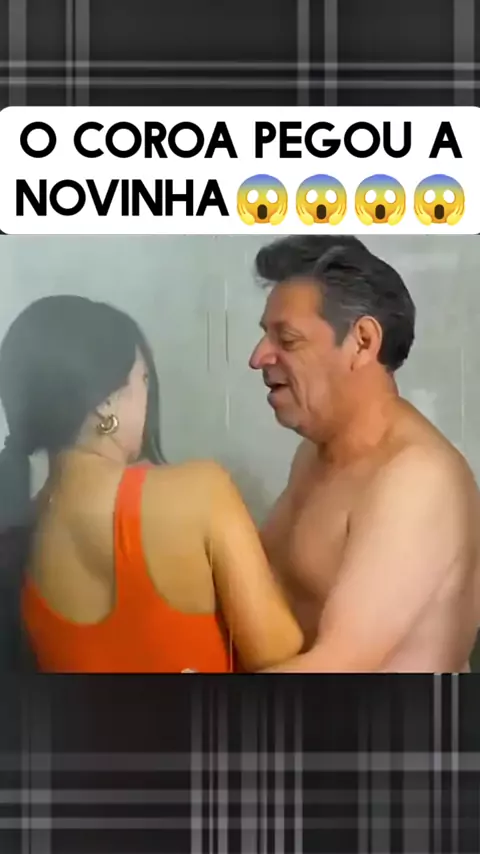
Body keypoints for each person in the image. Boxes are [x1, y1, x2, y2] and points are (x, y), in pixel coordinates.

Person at [0, 295, 302, 673]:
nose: (148, 397)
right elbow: (277, 654)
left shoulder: (18, 537)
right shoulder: (198, 492)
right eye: (142, 379)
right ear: (104, 403)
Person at [249, 235, 480, 673]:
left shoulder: (416, 480)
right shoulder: (314, 455)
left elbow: (341, 667)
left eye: (288, 340)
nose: (258, 357)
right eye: (265, 335)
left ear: (362, 342)